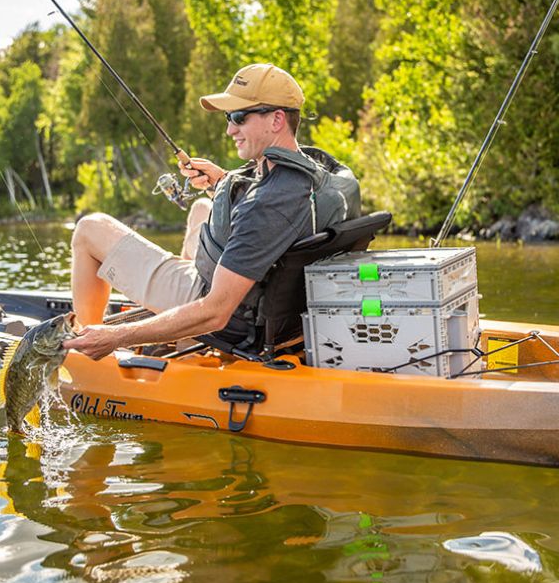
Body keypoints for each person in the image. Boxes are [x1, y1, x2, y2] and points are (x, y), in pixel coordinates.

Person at [63, 63, 360, 361]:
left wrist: (116, 336)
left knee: (90, 228)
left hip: (226, 312)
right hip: (272, 310)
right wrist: (222, 182)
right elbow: (271, 207)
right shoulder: (318, 174)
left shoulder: (266, 206)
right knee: (202, 207)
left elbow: (216, 311)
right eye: (229, 118)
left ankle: (88, 345)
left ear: (277, 119)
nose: (230, 129)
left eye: (239, 117)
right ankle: (181, 342)